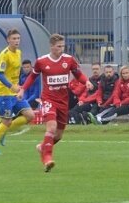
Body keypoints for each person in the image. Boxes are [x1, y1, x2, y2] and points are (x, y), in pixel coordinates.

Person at [20, 34, 93, 172]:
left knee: (58, 135)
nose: (61, 48)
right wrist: (23, 89)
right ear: (52, 46)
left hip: (63, 101)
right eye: (59, 46)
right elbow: (32, 77)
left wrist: (86, 81)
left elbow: (78, 74)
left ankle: (42, 147)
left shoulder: (69, 60)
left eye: (63, 46)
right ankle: (47, 158)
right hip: (48, 99)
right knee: (51, 127)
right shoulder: (41, 61)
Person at [0, 28, 34, 155]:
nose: (16, 41)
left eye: (18, 38)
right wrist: (11, 86)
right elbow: (0, 75)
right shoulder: (4, 54)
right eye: (14, 38)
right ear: (8, 40)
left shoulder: (18, 52)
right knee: (6, 121)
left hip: (14, 91)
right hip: (4, 92)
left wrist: (17, 87)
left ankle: (4, 131)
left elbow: (15, 72)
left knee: (30, 115)